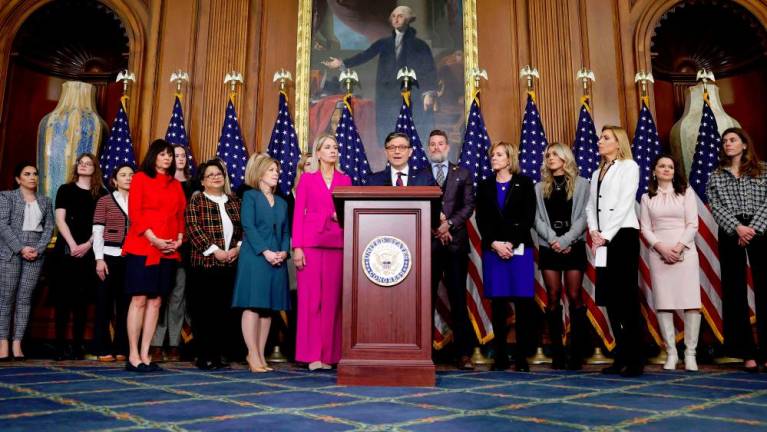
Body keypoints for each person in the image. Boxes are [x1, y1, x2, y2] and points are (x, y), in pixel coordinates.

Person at [323, 5, 437, 146]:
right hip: (387, 96)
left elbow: (428, 69)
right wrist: (342, 63)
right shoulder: (385, 43)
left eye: (400, 16)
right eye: (394, 16)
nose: (396, 19)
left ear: (408, 19)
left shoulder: (420, 45)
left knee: (411, 134)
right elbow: (365, 56)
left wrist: (428, 93)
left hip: (412, 95)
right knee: (389, 134)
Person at [122, 139, 186, 372]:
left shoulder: (176, 185)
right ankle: (132, 355)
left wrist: (178, 239)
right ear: (153, 157)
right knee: (139, 299)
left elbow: (180, 216)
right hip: (143, 247)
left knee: (157, 301)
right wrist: (154, 239)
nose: (167, 158)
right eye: (162, 154)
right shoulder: (140, 178)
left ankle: (145, 353)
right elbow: (135, 213)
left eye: (169, 154)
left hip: (168, 249)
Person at [707, 127, 767, 373]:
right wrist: (737, 228)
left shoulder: (763, 170)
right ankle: (746, 353)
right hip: (732, 232)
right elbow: (716, 205)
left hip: (760, 230)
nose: (728, 144)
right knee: (734, 291)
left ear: (744, 144)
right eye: (724, 141)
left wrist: (752, 228)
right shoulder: (717, 175)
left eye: (733, 140)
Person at [586, 125, 643, 377]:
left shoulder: (629, 167)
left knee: (626, 298)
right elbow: (590, 206)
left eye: (605, 138)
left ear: (618, 143)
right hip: (603, 240)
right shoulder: (597, 170)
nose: (600, 141)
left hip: (622, 236)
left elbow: (624, 203)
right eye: (600, 137)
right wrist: (594, 232)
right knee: (610, 298)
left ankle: (635, 358)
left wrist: (606, 234)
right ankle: (620, 354)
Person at [293, 134, 352, 370]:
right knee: (310, 301)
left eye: (335, 147)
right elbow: (298, 215)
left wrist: (343, 217)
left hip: (337, 244)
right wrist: (297, 247)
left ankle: (330, 356)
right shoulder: (307, 179)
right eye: (327, 147)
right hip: (310, 245)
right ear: (318, 153)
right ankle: (311, 356)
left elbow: (352, 212)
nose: (333, 151)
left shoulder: (345, 180)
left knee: (332, 302)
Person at [475, 142, 536, 371]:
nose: (494, 158)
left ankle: (521, 357)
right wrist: (494, 243)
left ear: (510, 159)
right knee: (498, 304)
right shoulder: (485, 185)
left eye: (499, 155)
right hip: (493, 250)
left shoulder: (525, 183)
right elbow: (481, 219)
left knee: (522, 304)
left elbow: (529, 216)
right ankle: (500, 355)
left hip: (519, 249)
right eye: (492, 154)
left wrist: (511, 243)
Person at [640, 154, 701, 371]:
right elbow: (645, 227)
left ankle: (690, 353)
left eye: (671, 167)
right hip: (659, 253)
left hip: (685, 252)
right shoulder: (647, 197)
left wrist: (678, 247)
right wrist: (661, 247)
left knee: (691, 301)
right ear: (654, 171)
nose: (667, 169)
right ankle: (671, 353)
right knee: (664, 302)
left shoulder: (686, 192)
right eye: (662, 166)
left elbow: (693, 224)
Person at [534, 143, 590, 370]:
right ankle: (557, 353)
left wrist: (566, 240)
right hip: (550, 246)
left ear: (566, 158)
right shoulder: (539, 187)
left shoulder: (582, 184)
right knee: (553, 296)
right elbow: (536, 218)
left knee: (575, 296)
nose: (550, 158)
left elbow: (585, 216)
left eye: (555, 154)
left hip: (573, 245)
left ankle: (576, 353)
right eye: (548, 155)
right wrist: (553, 241)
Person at [233, 156, 290, 372]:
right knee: (253, 305)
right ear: (260, 173)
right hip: (255, 257)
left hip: (277, 258)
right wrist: (266, 252)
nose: (276, 173)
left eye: (277, 170)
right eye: (271, 170)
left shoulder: (282, 202)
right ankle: (252, 353)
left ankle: (260, 353)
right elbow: (248, 226)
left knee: (268, 308)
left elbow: (285, 231)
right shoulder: (250, 196)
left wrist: (283, 252)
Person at [426, 130, 476, 369]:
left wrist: (449, 224)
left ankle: (464, 353)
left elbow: (468, 206)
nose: (436, 147)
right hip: (429, 245)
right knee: (426, 299)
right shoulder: (421, 175)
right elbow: (418, 205)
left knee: (458, 299)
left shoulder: (463, 173)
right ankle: (424, 351)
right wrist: (436, 226)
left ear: (448, 147)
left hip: (455, 246)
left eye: (440, 144)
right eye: (432, 144)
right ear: (428, 148)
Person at [186, 159, 242, 370]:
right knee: (204, 312)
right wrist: (215, 251)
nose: (216, 177)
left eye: (219, 173)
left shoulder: (235, 201)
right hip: (205, 265)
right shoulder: (197, 200)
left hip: (230, 264)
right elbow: (194, 229)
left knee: (224, 312)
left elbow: (242, 229)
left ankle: (219, 354)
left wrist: (237, 248)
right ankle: (204, 355)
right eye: (211, 175)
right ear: (202, 181)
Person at [52, 153, 107, 360]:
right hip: (66, 251)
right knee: (63, 300)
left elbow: (101, 225)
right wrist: (73, 244)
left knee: (82, 301)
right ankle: (59, 346)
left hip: (89, 250)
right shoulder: (65, 189)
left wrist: (87, 245)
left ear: (95, 168)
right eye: (81, 163)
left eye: (88, 164)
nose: (84, 166)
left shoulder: (101, 193)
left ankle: (76, 346)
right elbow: (60, 220)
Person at [0, 163, 54, 361]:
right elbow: (2, 225)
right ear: (18, 179)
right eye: (27, 174)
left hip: (35, 255)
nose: (32, 177)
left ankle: (17, 344)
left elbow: (49, 228)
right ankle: (3, 343)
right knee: (6, 299)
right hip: (11, 253)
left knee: (24, 299)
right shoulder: (6, 197)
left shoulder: (45, 201)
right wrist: (21, 248)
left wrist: (37, 250)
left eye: (35, 174)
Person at [151, 144, 197, 362]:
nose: (178, 158)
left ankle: (173, 343)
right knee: (159, 297)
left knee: (178, 298)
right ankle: (156, 343)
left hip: (184, 249)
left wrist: (181, 240)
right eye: (173, 154)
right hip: (160, 246)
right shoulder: (161, 183)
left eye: (181, 155)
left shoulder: (193, 184)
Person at [91, 164, 133, 362]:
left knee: (126, 305)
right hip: (108, 257)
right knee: (104, 304)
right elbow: (98, 231)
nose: (128, 178)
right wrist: (99, 259)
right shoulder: (104, 201)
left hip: (131, 259)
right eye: (123, 175)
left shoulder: (139, 201)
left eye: (131, 175)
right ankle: (102, 348)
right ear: (114, 180)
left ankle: (122, 347)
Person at [366, 132, 437, 186]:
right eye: (392, 148)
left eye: (402, 147)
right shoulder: (373, 180)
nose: (397, 151)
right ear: (386, 152)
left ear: (410, 152)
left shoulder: (425, 178)